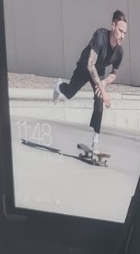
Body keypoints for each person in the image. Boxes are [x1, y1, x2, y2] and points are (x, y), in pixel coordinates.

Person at [54, 10, 127, 156]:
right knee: (69, 93)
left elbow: (114, 73)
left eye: (125, 33)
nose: (122, 36)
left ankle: (95, 141)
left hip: (98, 73)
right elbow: (90, 65)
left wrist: (104, 83)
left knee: (99, 101)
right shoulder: (100, 36)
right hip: (84, 68)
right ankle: (59, 86)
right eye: (120, 31)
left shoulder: (119, 52)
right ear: (113, 26)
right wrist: (104, 90)